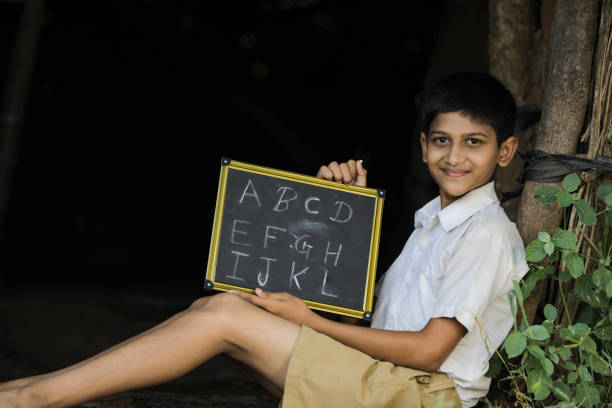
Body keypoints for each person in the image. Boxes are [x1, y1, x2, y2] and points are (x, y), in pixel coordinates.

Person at [0, 71, 528, 408]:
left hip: (420, 397)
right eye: (442, 141)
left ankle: (33, 397)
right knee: (225, 308)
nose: (454, 157)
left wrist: (309, 322)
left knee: (226, 318)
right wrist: (347, 219)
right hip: (385, 381)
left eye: (473, 144)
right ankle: (32, 393)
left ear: (504, 153)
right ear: (423, 146)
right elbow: (364, 316)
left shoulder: (487, 235)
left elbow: (431, 352)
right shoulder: (432, 223)